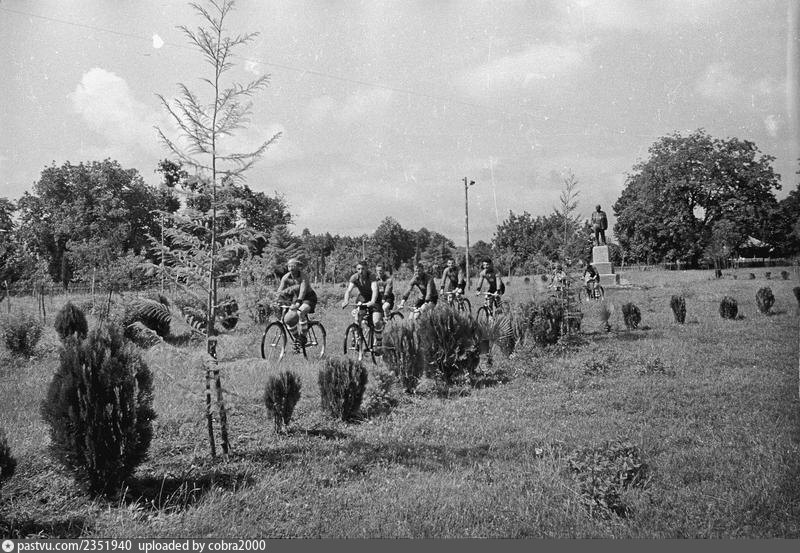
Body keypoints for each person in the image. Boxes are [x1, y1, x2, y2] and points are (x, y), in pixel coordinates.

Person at [276, 258, 317, 346]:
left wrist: (298, 302)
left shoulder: (303, 276)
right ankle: (297, 339)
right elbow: (280, 290)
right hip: (296, 298)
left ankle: (303, 337)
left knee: (301, 312)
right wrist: (276, 300)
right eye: (289, 266)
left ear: (298, 267)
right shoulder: (286, 277)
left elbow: (303, 290)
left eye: (293, 266)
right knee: (287, 319)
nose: (291, 268)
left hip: (308, 298)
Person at [341, 260, 383, 344]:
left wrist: (372, 301)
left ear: (366, 268)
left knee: (376, 321)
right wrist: (346, 301)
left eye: (363, 269)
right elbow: (348, 291)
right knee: (357, 317)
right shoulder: (354, 277)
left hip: (375, 299)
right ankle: (357, 337)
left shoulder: (371, 276)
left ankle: (379, 340)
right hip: (363, 298)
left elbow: (375, 290)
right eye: (359, 269)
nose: (361, 271)